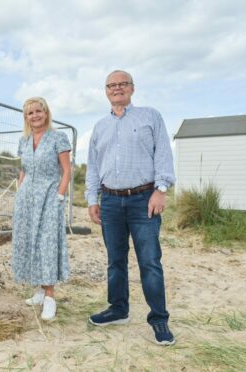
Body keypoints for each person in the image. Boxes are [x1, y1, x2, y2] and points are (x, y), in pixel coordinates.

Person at [85, 70, 176, 345]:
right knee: (115, 261)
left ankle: (159, 320)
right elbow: (92, 165)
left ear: (132, 89)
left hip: (143, 200)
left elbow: (163, 154)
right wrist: (92, 199)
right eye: (111, 85)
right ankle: (118, 309)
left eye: (122, 84)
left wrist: (160, 190)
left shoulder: (150, 116)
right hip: (110, 202)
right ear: (106, 91)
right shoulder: (100, 127)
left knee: (149, 262)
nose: (117, 89)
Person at [11, 97, 72, 321]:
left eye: (39, 111)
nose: (35, 115)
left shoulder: (58, 138)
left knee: (47, 243)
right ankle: (38, 289)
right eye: (30, 113)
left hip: (49, 195)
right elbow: (23, 170)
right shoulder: (24, 140)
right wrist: (20, 191)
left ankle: (49, 297)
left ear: (46, 113)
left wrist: (59, 196)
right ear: (26, 117)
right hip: (27, 197)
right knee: (30, 241)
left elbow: (67, 170)